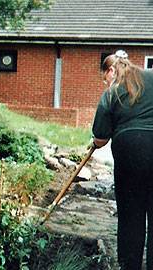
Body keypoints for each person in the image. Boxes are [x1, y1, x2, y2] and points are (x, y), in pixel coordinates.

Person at [92, 50, 153, 270]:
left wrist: (96, 143)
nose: (106, 82)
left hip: (130, 152)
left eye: (104, 77)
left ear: (110, 71)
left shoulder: (112, 92)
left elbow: (100, 138)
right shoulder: (151, 76)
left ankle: (130, 266)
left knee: (131, 215)